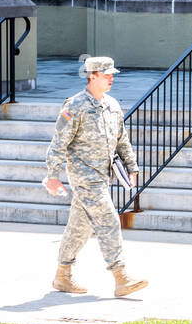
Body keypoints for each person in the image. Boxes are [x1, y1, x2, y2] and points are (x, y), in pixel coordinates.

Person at [44, 56, 148, 297]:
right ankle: (121, 276)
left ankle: (63, 275)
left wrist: (132, 168)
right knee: (109, 219)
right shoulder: (75, 106)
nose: (111, 78)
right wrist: (52, 175)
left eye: (112, 74)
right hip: (83, 176)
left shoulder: (112, 105)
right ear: (91, 76)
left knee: (79, 227)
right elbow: (59, 142)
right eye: (106, 75)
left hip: (103, 176)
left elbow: (122, 140)